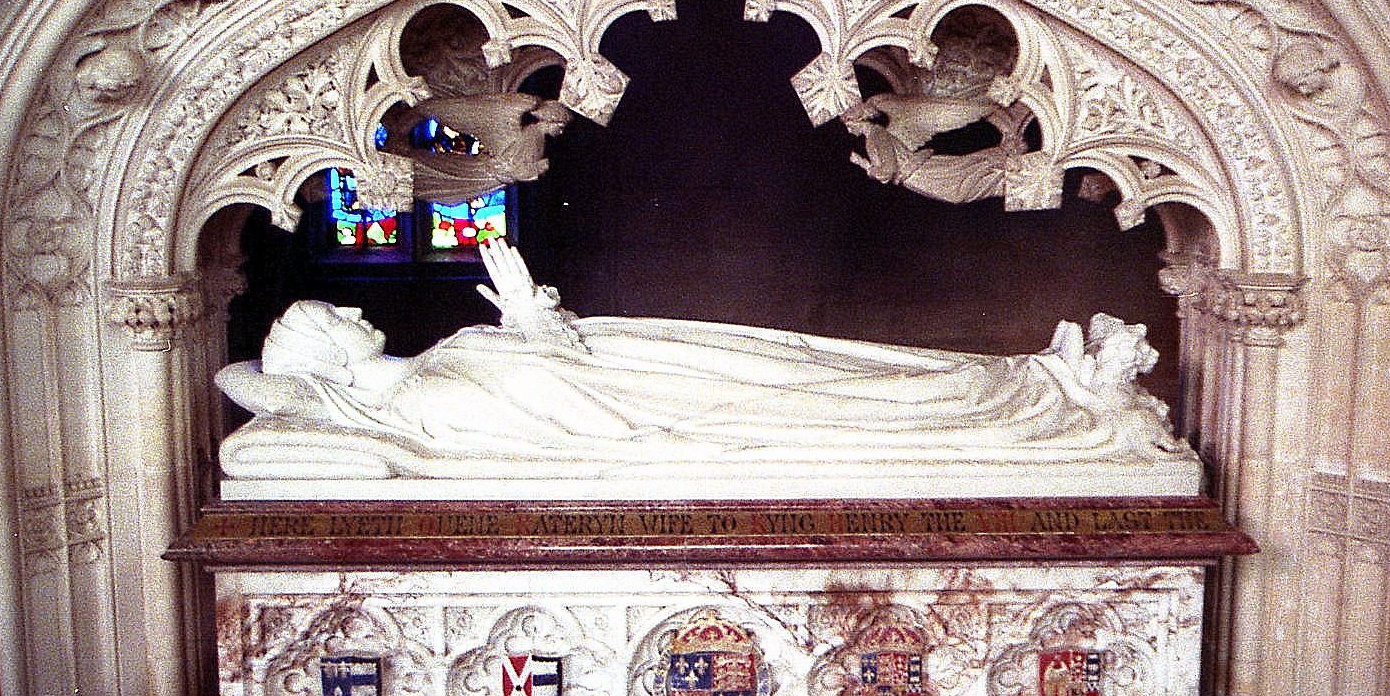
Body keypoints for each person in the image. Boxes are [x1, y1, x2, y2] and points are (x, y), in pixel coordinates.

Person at [217, 241, 1197, 483]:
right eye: (329, 313)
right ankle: (1048, 402)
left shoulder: (442, 356)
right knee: (877, 399)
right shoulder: (427, 406)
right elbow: (568, 426)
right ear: (329, 365)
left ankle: (1041, 384)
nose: (352, 303)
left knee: (843, 361)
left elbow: (552, 368)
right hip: (689, 410)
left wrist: (523, 307)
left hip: (675, 364)